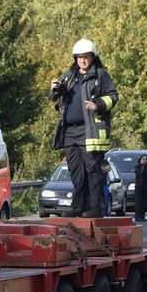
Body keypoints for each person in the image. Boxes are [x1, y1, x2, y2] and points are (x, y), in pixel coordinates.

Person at [50, 38, 119, 218]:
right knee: (75, 170)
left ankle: (95, 206)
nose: (82, 60)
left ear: (92, 57)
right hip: (69, 131)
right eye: (79, 57)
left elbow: (114, 96)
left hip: (89, 130)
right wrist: (55, 89)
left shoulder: (100, 75)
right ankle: (79, 205)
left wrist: (98, 104)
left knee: (92, 170)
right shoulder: (69, 75)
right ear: (75, 58)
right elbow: (55, 96)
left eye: (86, 57)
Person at [133, 154, 147, 222]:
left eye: (146, 159)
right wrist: (142, 167)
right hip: (139, 186)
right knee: (138, 202)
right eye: (143, 159)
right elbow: (138, 173)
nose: (144, 160)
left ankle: (142, 216)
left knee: (144, 202)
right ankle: (137, 216)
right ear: (140, 159)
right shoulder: (137, 167)